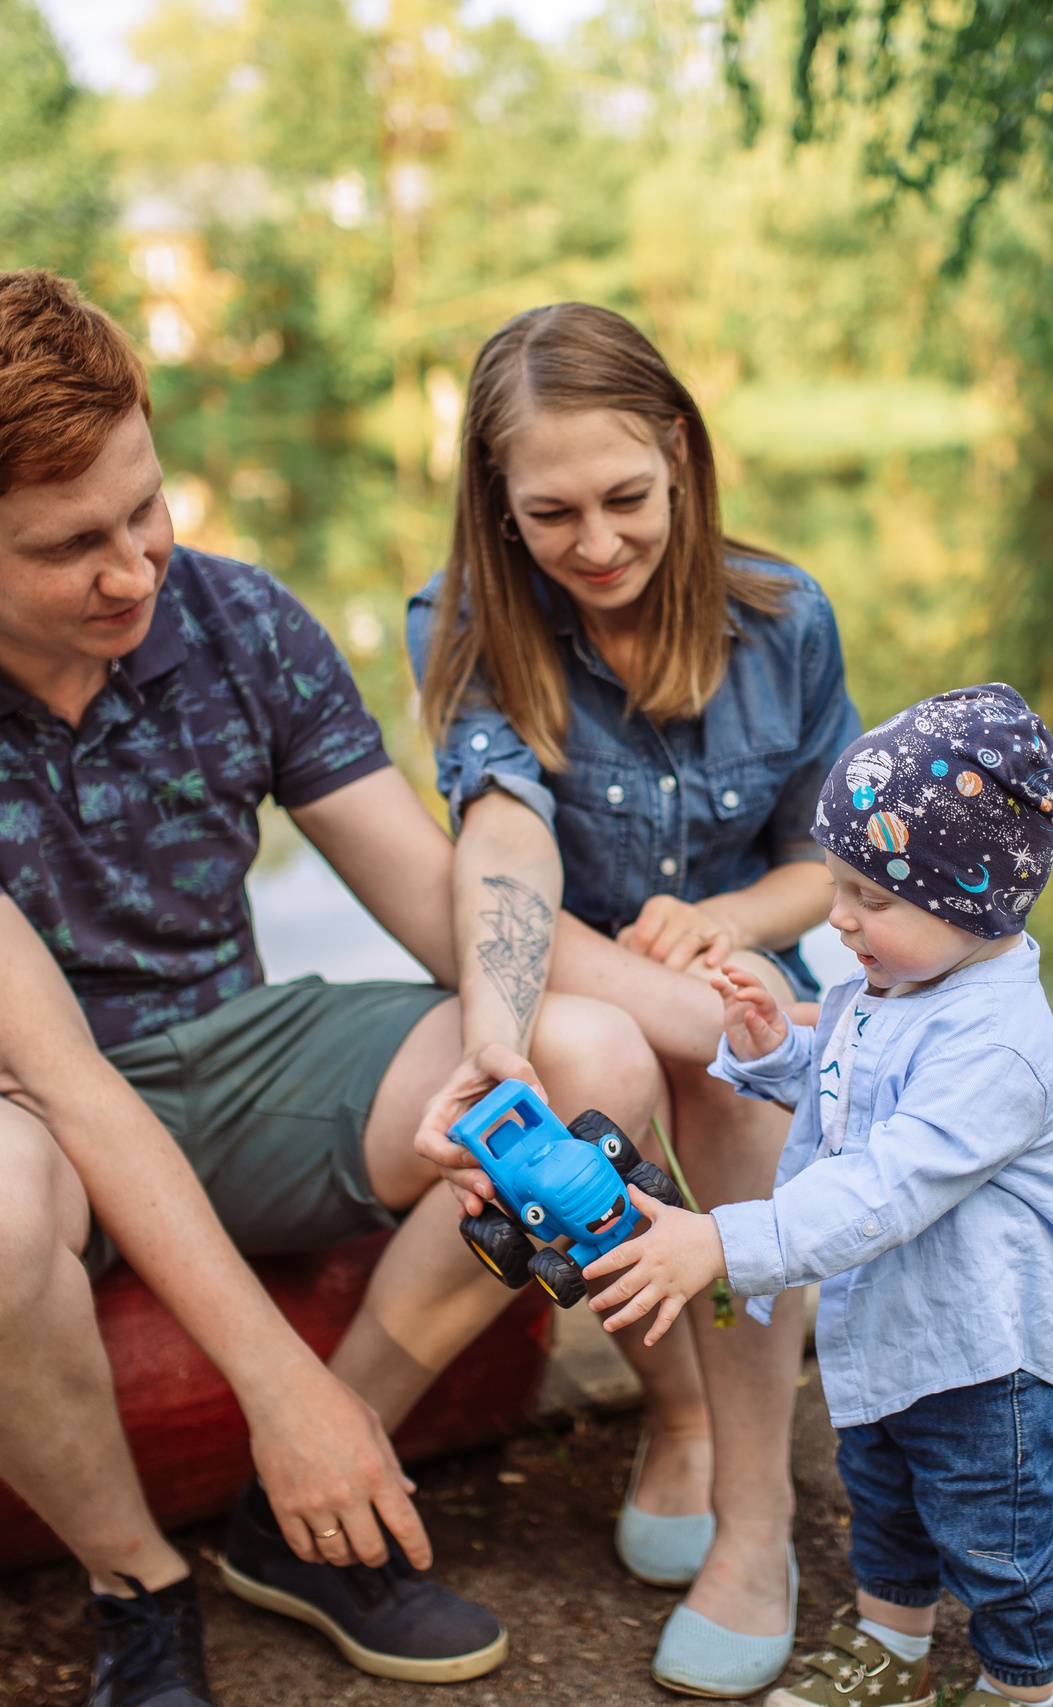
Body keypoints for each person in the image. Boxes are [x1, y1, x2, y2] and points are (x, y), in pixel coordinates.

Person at [0, 268, 661, 1706]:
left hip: (231, 1052)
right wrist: (273, 1382)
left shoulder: (238, 618)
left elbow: (444, 908)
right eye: (72, 546)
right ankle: (138, 1578)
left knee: (594, 1054)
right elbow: (52, 1069)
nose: (134, 568)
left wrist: (745, 1025)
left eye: (145, 506)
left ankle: (305, 1510)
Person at [406, 302, 863, 1695]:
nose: (597, 546)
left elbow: (829, 864)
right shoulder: (471, 622)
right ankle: (677, 1409)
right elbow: (500, 834)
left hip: (730, 974)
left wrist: (725, 920)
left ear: (679, 450)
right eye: (551, 514)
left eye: (626, 498)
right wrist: (498, 1028)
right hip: (557, 963)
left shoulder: (786, 621)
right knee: (601, 1056)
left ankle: (758, 1511)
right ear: (498, 501)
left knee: (736, 1050)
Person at [581, 684, 1053, 1707]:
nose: (839, 916)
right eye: (836, 883)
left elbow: (886, 1186)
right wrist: (777, 1056)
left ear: (975, 899)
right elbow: (850, 1094)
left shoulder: (998, 1046)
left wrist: (722, 1243)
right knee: (887, 1511)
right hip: (889, 1333)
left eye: (874, 897)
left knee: (994, 1538)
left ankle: (1020, 1683)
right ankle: (889, 1649)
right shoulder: (892, 985)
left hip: (984, 1353)